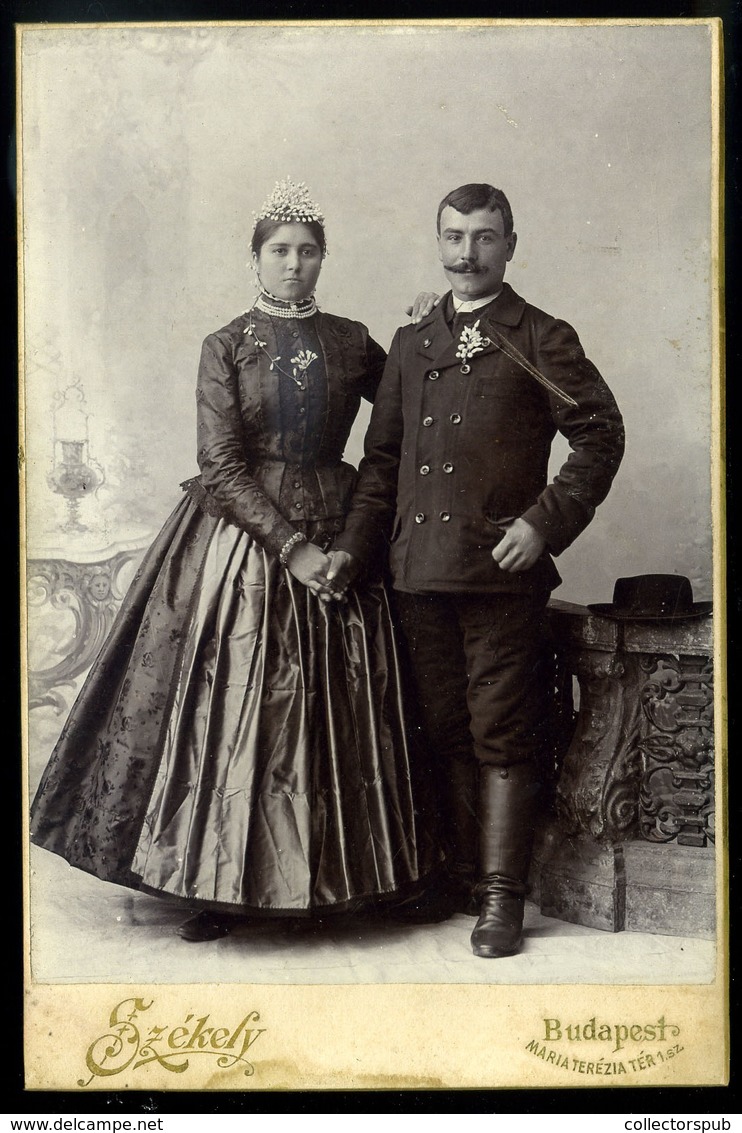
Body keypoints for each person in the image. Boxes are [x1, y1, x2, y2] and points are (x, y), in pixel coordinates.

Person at [29, 178, 437, 943]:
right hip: (242, 542)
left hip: (346, 524)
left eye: (307, 252)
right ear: (256, 259)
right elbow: (219, 464)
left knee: (345, 706)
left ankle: (355, 873)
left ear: (324, 260)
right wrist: (293, 547)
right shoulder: (226, 344)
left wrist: (427, 324)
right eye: (279, 251)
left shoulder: (353, 341)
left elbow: (406, 413)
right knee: (239, 702)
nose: (294, 265)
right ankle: (219, 880)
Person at [330, 182, 625, 959]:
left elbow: (599, 434)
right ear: (438, 244)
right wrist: (352, 554)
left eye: (485, 237)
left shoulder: (540, 337)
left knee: (501, 732)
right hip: (417, 574)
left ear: (511, 244)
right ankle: (458, 875)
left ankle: (502, 896)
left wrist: (544, 521)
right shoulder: (415, 340)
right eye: (455, 237)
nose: (468, 252)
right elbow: (383, 462)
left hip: (499, 575)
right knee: (443, 728)